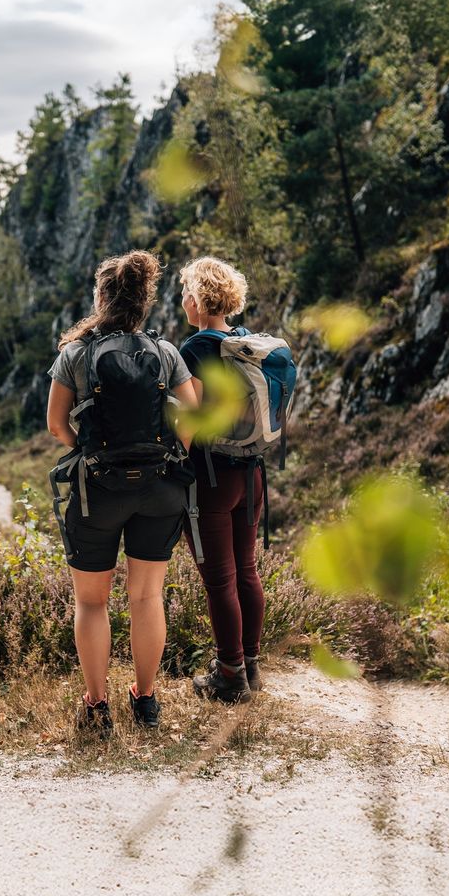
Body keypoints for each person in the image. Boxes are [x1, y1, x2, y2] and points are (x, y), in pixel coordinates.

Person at [47, 251, 199, 736]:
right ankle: (147, 700)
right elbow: (192, 421)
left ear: (101, 298)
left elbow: (55, 425)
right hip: (158, 491)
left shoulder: (75, 354)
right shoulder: (166, 352)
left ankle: (96, 706)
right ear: (144, 301)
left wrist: (89, 449)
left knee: (92, 603)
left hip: (98, 492)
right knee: (147, 596)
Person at [178, 256, 266, 703]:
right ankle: (249, 663)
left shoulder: (195, 348)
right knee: (247, 570)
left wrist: (172, 455)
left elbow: (190, 418)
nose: (182, 301)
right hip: (251, 475)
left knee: (220, 580)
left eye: (185, 293)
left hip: (211, 479)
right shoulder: (247, 341)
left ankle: (229, 676)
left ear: (197, 299)